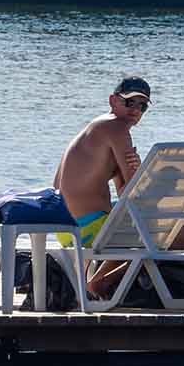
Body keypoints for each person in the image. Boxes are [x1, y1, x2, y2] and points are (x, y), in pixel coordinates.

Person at [55, 76, 150, 298]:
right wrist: (142, 171)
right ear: (113, 100)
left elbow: (125, 192)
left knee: (144, 221)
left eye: (142, 106)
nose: (136, 110)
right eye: (130, 102)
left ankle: (100, 281)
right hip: (88, 228)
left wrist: (133, 170)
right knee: (166, 233)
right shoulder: (116, 127)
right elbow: (137, 192)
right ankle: (100, 282)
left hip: (66, 228)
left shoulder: (98, 128)